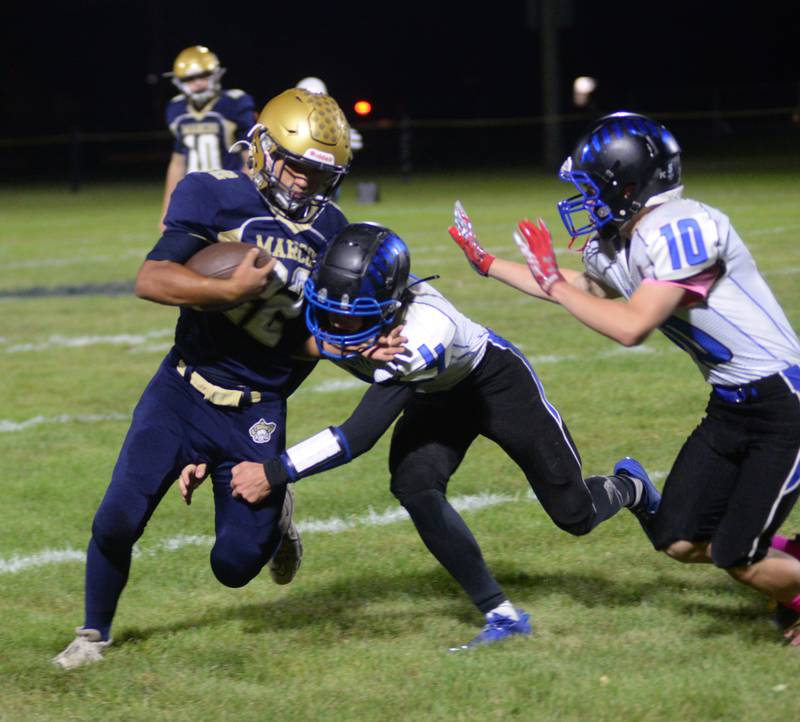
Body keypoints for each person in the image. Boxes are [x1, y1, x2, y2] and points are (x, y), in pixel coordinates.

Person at [195, 221, 661, 651]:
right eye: (328, 307)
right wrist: (203, 446)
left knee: (574, 514)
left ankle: (631, 486)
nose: (335, 324)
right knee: (415, 485)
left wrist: (274, 473)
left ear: (392, 305)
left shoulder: (419, 333)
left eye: (352, 315)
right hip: (435, 396)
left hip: (492, 383)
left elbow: (358, 435)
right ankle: (501, 615)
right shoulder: (337, 304)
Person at [450, 111, 800, 645]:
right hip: (731, 405)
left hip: (784, 403)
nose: (585, 202)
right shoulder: (631, 238)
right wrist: (487, 263)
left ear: (630, 187)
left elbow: (633, 325)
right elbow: (583, 288)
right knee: (680, 539)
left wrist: (554, 283)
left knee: (738, 558)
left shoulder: (682, 226)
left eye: (592, 189)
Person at [53, 88, 357, 669]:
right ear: (266, 150)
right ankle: (94, 634)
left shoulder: (331, 231)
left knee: (235, 567)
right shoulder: (215, 194)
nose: (302, 184)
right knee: (117, 517)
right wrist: (227, 291)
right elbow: (151, 278)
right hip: (183, 389)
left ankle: (276, 513)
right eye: (295, 167)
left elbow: (309, 340)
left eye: (319, 175)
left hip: (257, 408)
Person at [160, 46, 256, 229]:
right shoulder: (176, 108)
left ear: (216, 74)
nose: (197, 83)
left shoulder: (234, 103)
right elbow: (178, 161)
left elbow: (251, 157)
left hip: (227, 192)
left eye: (203, 76)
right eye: (189, 79)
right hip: (192, 194)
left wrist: (243, 196)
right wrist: (167, 207)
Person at [296, 77, 363, 153]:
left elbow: (356, 142)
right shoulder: (289, 120)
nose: (312, 101)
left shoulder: (335, 125)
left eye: (318, 97)